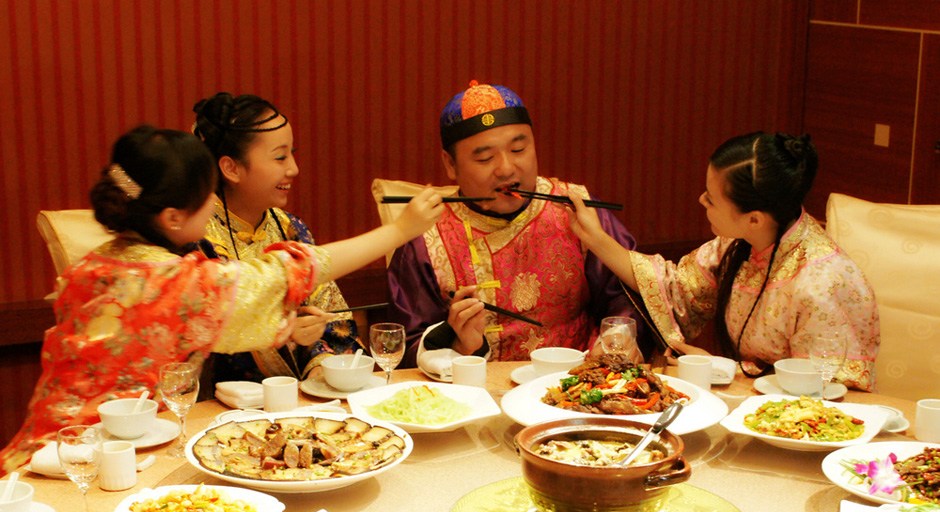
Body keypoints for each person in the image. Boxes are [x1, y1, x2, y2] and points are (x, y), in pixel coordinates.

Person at [0, 126, 442, 474]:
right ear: (173, 217)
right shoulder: (172, 282)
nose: (215, 203)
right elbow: (294, 269)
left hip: (39, 446)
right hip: (88, 461)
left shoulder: (93, 266)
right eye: (205, 197)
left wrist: (288, 326)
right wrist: (399, 230)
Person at [567, 131, 879, 390]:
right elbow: (676, 288)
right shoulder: (738, 244)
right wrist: (595, 238)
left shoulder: (823, 282)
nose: (701, 200)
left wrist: (727, 370)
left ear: (754, 219)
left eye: (711, 198)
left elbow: (822, 389)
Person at [386, 81, 644, 372]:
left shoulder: (576, 209)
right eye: (485, 158)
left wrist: (618, 335)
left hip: (576, 384)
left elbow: (629, 294)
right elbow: (403, 345)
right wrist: (458, 346)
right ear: (450, 164)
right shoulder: (425, 236)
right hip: (477, 393)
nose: (506, 168)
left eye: (519, 149)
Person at [193, 92, 362, 383]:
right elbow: (204, 338)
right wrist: (282, 331)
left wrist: (319, 359)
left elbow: (335, 321)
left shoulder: (291, 228)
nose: (294, 169)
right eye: (280, 157)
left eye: (292, 154)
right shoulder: (198, 239)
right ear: (231, 168)